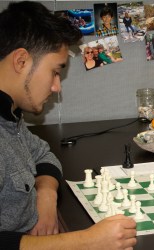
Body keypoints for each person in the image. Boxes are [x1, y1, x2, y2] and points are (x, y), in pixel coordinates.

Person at [0, 1, 136, 249]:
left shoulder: (9, 116)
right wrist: (86, 241)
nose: (56, 87)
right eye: (54, 72)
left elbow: (43, 154)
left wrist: (46, 194)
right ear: (20, 61)